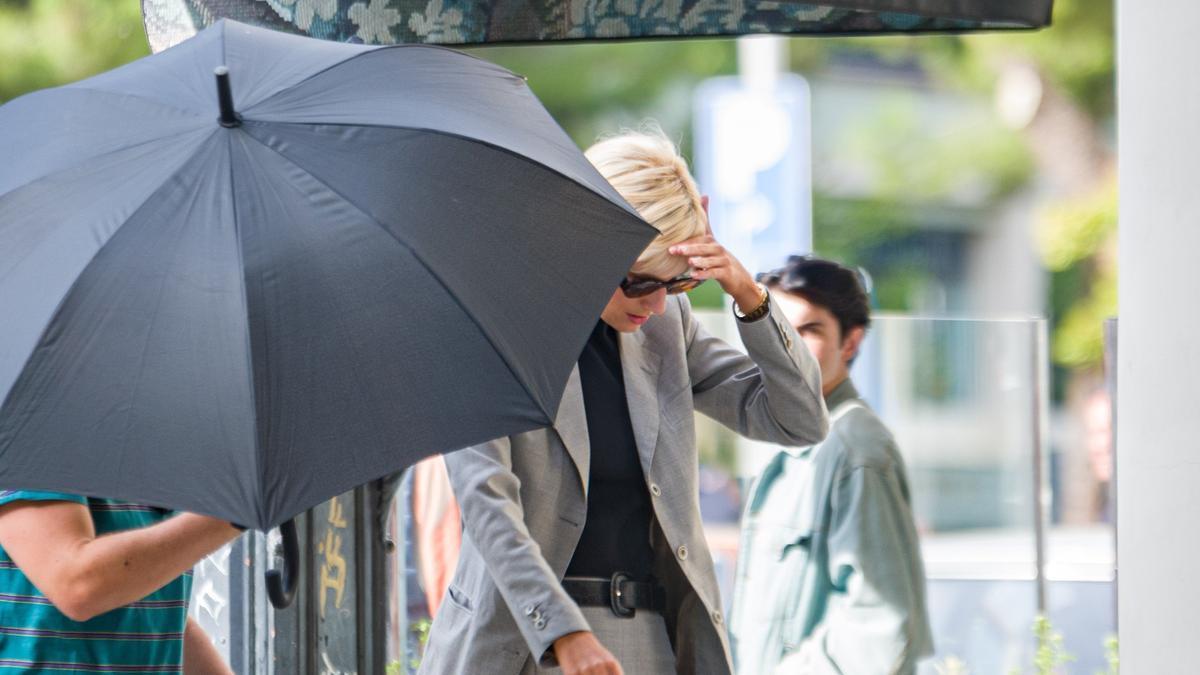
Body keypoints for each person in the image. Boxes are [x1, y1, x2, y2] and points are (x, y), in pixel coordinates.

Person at [418, 129, 828, 675]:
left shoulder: (665, 330)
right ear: (585, 237)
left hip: (646, 641)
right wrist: (565, 634)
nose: (658, 304)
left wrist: (748, 296)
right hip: (524, 639)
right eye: (639, 283)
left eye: (678, 283)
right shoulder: (492, 321)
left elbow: (798, 421)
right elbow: (487, 501)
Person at [729, 255, 933, 675]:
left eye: (808, 329)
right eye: (778, 328)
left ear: (851, 342)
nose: (786, 345)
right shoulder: (788, 441)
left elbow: (875, 625)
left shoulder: (856, 447)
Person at [0, 489, 243, 673]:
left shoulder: (142, 461)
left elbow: (152, 613)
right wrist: (234, 512)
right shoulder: (37, 436)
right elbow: (77, 586)